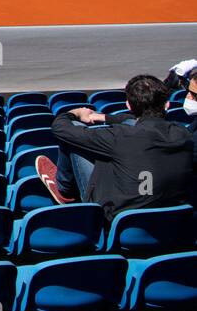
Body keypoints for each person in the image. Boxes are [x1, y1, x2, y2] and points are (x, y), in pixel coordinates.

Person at [36, 74, 192, 220]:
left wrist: (74, 113)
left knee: (74, 134)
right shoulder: (183, 133)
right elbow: (136, 121)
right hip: (171, 219)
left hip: (116, 217)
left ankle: (64, 190)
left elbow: (61, 128)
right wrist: (104, 117)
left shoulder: (119, 136)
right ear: (167, 105)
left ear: (128, 105)